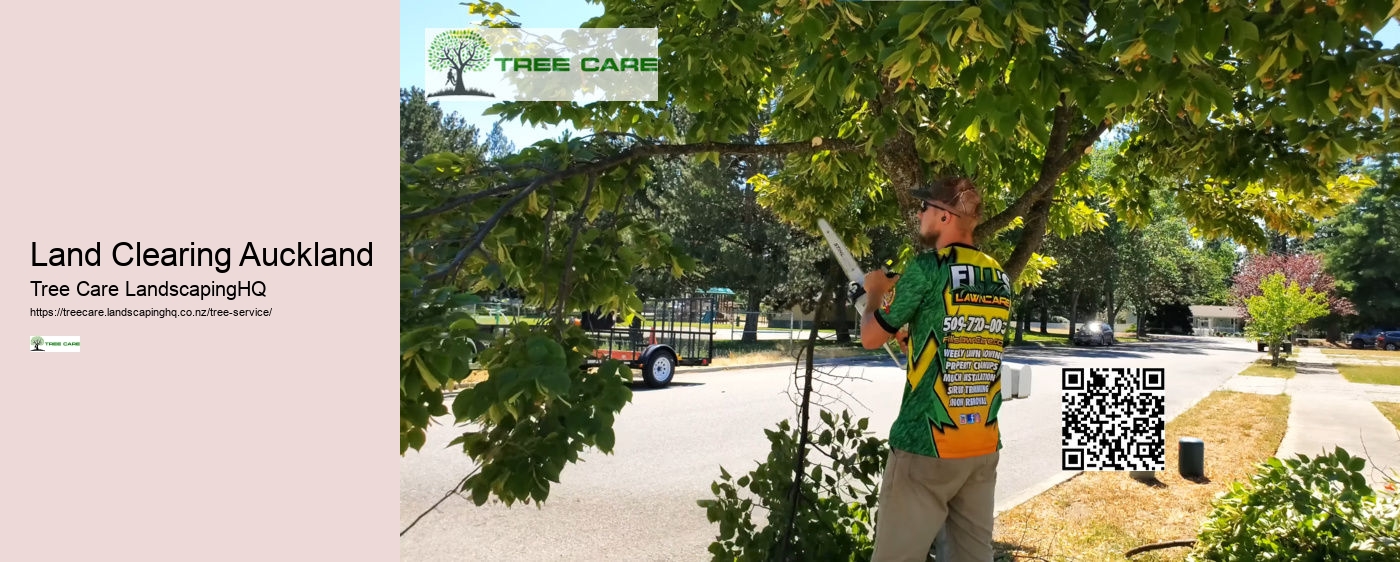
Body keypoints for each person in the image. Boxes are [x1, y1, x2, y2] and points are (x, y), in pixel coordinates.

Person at [860, 177, 1013, 561]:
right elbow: (967, 341)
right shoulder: (999, 276)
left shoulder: (928, 268)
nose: (919, 213)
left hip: (925, 443)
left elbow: (870, 337)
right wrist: (913, 341)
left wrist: (875, 291)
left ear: (944, 216)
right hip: (980, 443)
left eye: (925, 207)